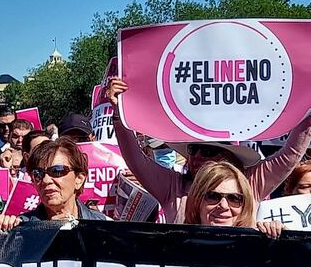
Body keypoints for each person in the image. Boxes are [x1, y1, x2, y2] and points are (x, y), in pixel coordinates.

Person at [107, 78, 311, 223]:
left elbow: (290, 154)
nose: (196, 157)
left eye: (206, 151)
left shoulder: (250, 182)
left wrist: (307, 106)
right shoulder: (173, 186)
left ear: (228, 156)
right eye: (193, 149)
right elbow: (136, 160)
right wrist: (119, 112)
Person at [0, 137, 108, 231]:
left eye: (57, 171)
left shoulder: (103, 226)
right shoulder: (21, 229)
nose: (46, 180)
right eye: (38, 173)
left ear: (79, 179)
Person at [184, 162, 283, 238]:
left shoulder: (259, 246)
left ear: (245, 205)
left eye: (234, 198)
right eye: (213, 196)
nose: (223, 206)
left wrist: (285, 239)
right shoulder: (173, 246)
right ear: (196, 201)